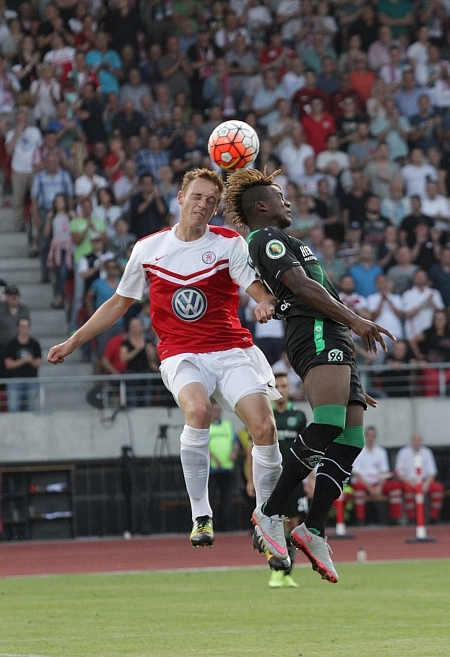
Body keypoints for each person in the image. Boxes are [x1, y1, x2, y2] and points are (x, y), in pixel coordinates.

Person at [47, 168, 284, 555]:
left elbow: (256, 288)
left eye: (211, 200)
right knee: (198, 410)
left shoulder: (229, 243)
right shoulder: (149, 248)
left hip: (229, 350)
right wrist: (73, 341)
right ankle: (201, 515)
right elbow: (118, 303)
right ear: (180, 197)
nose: (203, 204)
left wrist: (264, 301)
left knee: (265, 427)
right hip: (181, 352)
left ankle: (267, 516)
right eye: (197, 196)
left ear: (216, 209)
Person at [224, 167, 394, 583]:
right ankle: (270, 513)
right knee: (329, 424)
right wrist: (356, 320)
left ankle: (313, 529)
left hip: (333, 337)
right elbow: (301, 287)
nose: (287, 202)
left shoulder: (286, 239)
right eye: (279, 196)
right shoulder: (265, 238)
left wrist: (346, 376)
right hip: (314, 329)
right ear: (261, 206)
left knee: (351, 438)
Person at [264, 371, 307, 589]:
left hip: (295, 477)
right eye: (277, 386)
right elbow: (254, 445)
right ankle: (275, 571)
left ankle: (288, 571)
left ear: (289, 389)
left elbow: (307, 448)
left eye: (284, 386)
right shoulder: (265, 414)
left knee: (293, 524)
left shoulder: (298, 416)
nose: (281, 390)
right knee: (273, 523)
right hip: (272, 478)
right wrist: (251, 480)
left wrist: (311, 477)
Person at [351, 426, 403, 525]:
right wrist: (369, 488)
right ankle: (360, 519)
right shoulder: (358, 451)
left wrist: (380, 487)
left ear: (375, 437)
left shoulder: (381, 451)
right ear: (364, 436)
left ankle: (395, 518)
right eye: (368, 436)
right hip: (363, 483)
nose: (370, 438)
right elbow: (357, 474)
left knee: (396, 487)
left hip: (378, 483)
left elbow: (384, 472)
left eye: (372, 436)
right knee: (358, 489)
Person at [395, 431, 444, 524]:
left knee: (438, 488)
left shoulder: (427, 452)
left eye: (419, 439)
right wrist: (412, 483)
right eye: (415, 439)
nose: (417, 442)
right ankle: (411, 518)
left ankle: (434, 517)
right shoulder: (403, 452)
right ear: (411, 440)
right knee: (408, 490)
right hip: (409, 481)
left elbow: (432, 472)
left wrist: (426, 484)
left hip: (424, 481)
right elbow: (399, 473)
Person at [208, 400, 239, 533]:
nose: (217, 412)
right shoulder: (206, 426)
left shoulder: (227, 425)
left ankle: (227, 528)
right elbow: (203, 445)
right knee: (211, 499)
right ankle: (213, 526)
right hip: (212, 469)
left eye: (219, 410)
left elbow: (235, 442)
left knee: (227, 499)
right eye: (215, 410)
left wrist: (234, 452)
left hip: (227, 468)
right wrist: (214, 458)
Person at [4, 317, 42, 413]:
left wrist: (30, 361)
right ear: (17, 328)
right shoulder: (11, 344)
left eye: (25, 326)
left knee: (30, 410)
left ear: (29, 328)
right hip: (15, 380)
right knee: (13, 409)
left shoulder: (35, 344)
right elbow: (8, 364)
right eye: (21, 326)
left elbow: (38, 363)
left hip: (31, 379)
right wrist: (24, 361)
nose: (23, 329)